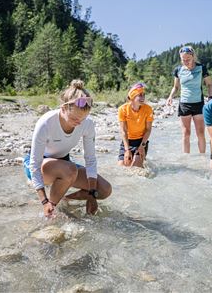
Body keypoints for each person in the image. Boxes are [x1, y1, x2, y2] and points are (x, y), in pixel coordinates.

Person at [24, 80, 112, 217]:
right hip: (39, 165)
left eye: (82, 119)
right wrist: (44, 201)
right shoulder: (46, 123)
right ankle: (51, 209)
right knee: (70, 170)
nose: (78, 123)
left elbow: (90, 160)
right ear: (63, 108)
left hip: (64, 164)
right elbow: (34, 164)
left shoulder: (87, 124)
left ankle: (65, 200)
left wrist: (92, 195)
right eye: (74, 118)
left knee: (104, 189)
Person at [166, 45, 212, 154]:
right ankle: (186, 160)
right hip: (184, 104)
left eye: (188, 59)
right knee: (186, 133)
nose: (186, 61)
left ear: (193, 56)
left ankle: (202, 157)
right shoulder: (178, 70)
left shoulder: (201, 68)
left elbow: (210, 84)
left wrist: (211, 97)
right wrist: (170, 97)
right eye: (183, 59)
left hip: (198, 104)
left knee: (200, 133)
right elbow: (176, 87)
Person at [118, 82, 154, 168]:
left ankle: (143, 160)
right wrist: (127, 150)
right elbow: (123, 131)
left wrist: (142, 146)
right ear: (132, 97)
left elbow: (148, 130)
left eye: (144, 95)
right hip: (127, 141)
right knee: (122, 166)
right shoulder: (122, 109)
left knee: (136, 167)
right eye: (140, 95)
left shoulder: (148, 109)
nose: (143, 97)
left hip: (141, 141)